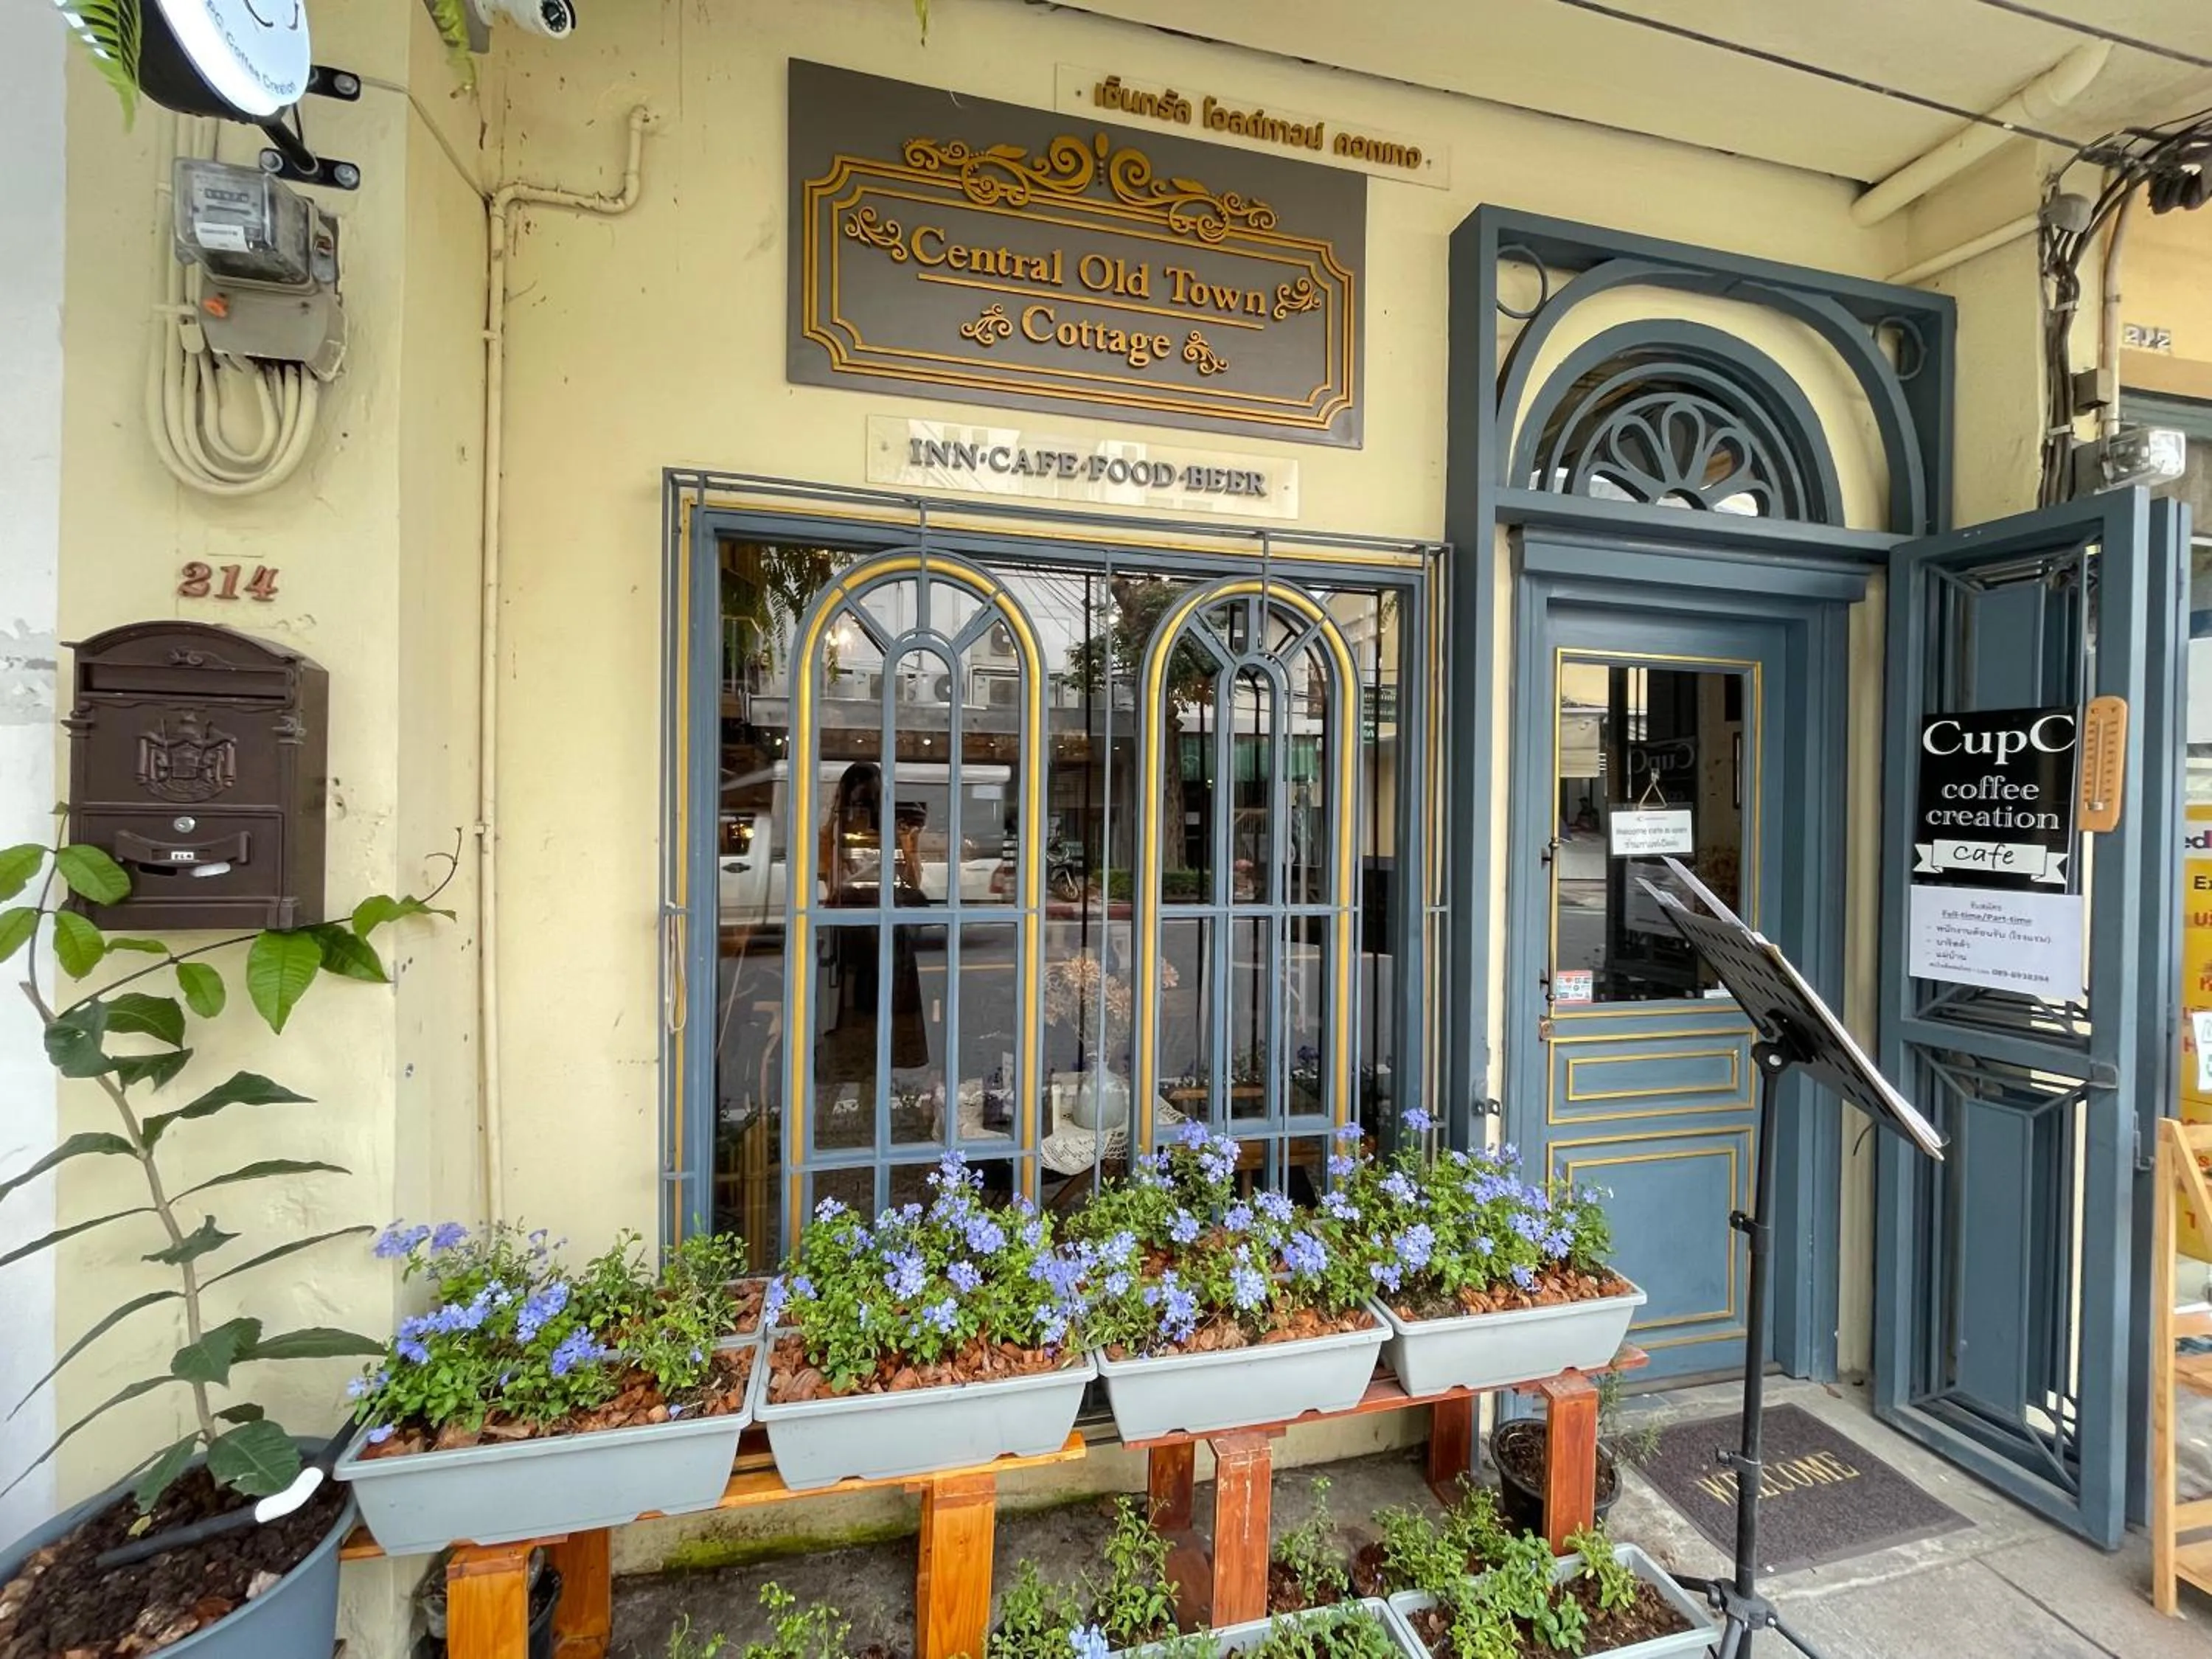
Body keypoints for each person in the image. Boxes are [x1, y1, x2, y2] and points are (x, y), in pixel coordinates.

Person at [815, 762, 931, 1088]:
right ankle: (860, 1086)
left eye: (871, 799)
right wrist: (836, 831)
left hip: (886, 934)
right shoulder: (832, 834)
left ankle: (874, 1094)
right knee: (855, 1019)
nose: (864, 808)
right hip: (856, 933)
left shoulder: (893, 832)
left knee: (883, 1019)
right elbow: (830, 882)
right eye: (860, 799)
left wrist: (910, 844)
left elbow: (911, 883)